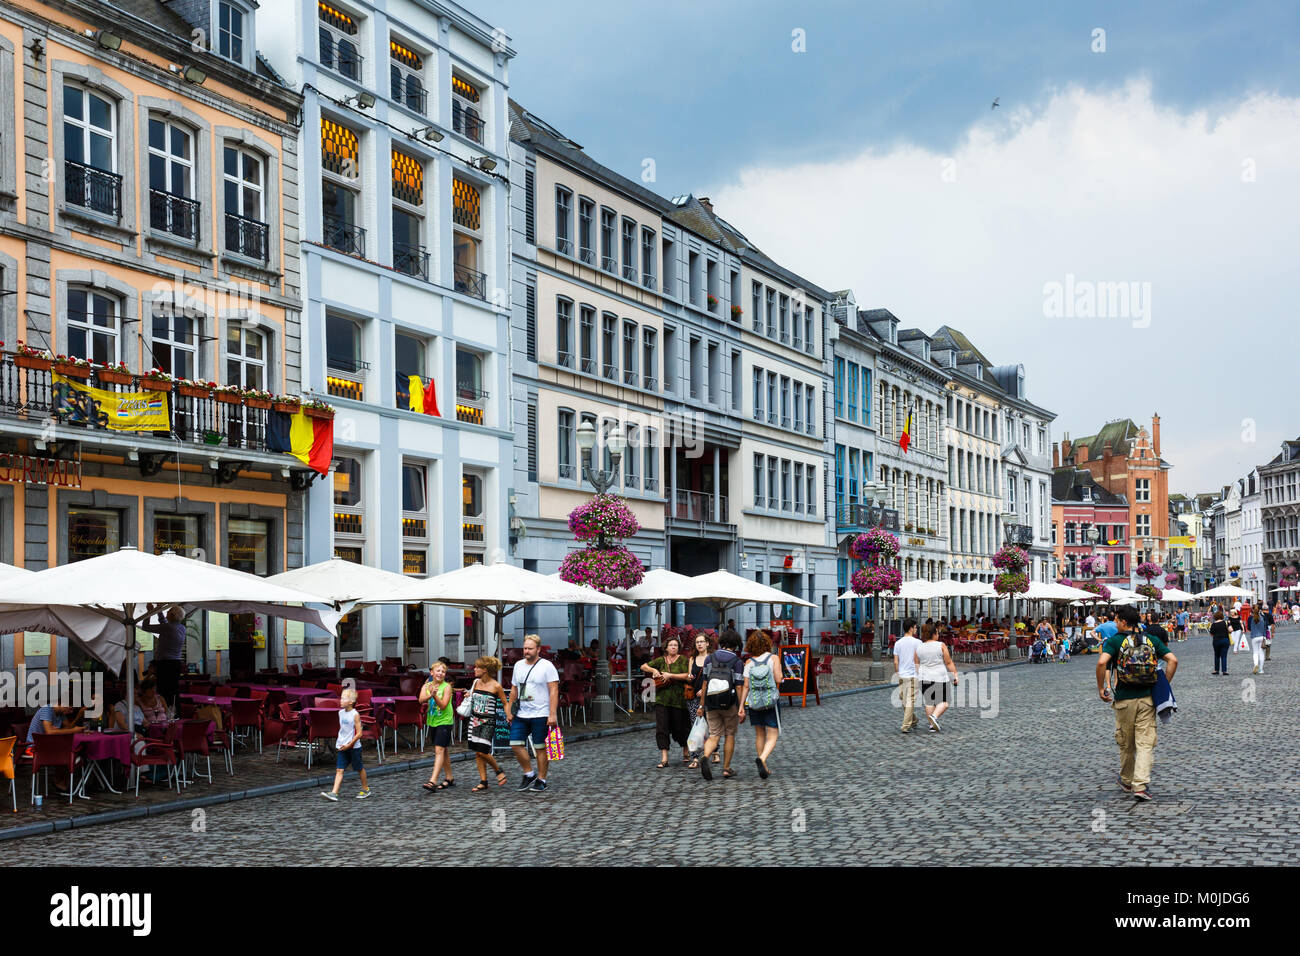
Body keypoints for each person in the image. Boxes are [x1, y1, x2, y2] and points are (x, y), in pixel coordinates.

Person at [1096, 606, 1177, 802]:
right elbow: (1173, 660)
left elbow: (1101, 663)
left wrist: (1101, 689)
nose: (1115, 624)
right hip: (1147, 699)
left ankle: (1126, 780)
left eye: (1116, 620)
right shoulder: (1151, 640)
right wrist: (1163, 683)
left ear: (1124, 622)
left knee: (1126, 742)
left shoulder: (1115, 641)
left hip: (1124, 699)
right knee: (1145, 742)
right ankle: (1140, 785)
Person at [509, 634, 560, 793]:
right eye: (525, 648)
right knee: (515, 743)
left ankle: (542, 779)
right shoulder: (518, 665)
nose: (527, 651)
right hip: (522, 713)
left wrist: (552, 714)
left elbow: (553, 690)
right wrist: (510, 710)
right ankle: (529, 773)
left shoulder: (547, 666)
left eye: (530, 648)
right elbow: (514, 689)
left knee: (540, 747)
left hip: (541, 713)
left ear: (538, 649)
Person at [698, 630, 745, 780]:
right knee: (730, 734)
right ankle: (726, 768)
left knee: (713, 735)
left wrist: (701, 705)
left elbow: (704, 683)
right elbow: (738, 685)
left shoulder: (709, 659)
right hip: (729, 703)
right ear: (736, 644)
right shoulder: (737, 662)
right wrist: (741, 707)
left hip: (711, 702)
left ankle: (705, 756)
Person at [642, 636, 692, 768]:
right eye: (671, 645)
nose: (673, 647)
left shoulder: (683, 660)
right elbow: (644, 666)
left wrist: (671, 676)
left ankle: (685, 749)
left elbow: (688, 675)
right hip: (662, 699)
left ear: (678, 647)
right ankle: (664, 757)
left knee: (680, 727)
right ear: (666, 647)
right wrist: (654, 670)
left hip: (678, 699)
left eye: (675, 645)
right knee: (662, 728)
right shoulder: (660, 660)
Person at [742, 631, 783, 778]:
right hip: (770, 700)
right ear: (768, 643)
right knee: (772, 734)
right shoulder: (773, 658)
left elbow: (746, 686)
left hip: (754, 701)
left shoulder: (749, 662)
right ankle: (762, 759)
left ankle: (763, 765)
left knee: (760, 734)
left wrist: (741, 707)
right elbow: (778, 679)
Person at [466, 656, 511, 790]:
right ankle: (483, 781)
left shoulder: (496, 686)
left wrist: (508, 715)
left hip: (488, 722)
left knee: (483, 750)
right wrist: (469, 696)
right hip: (474, 720)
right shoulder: (476, 682)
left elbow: (504, 702)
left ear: (484, 669)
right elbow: (473, 696)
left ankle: (498, 770)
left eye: (477, 667)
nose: (474, 669)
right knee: (477, 752)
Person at [322, 688, 370, 801]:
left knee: (359, 768)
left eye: (344, 698)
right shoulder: (340, 713)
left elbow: (359, 733)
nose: (341, 700)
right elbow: (343, 730)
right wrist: (341, 742)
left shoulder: (355, 715)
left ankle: (366, 789)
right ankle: (334, 793)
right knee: (339, 770)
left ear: (351, 702)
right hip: (343, 747)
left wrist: (350, 744)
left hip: (354, 748)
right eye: (341, 697)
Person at [915, 622, 958, 731]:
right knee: (945, 701)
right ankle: (934, 717)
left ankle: (931, 725)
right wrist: (955, 675)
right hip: (939, 677)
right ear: (934, 634)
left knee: (929, 702)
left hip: (924, 678)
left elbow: (916, 664)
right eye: (937, 633)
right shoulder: (941, 645)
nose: (938, 635)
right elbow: (948, 662)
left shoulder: (919, 647)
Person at [419, 662, 456, 791]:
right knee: (443, 750)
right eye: (438, 671)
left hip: (445, 721)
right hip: (433, 721)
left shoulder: (447, 687)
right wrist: (430, 694)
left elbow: (444, 705)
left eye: (443, 672)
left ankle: (432, 781)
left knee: (439, 750)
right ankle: (449, 777)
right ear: (432, 672)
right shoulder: (426, 686)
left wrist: (435, 696)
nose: (440, 673)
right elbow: (421, 699)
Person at [141, 605, 186, 708]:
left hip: (165, 664)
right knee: (173, 690)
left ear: (171, 615)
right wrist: (158, 610)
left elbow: (145, 627)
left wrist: (149, 612)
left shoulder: (167, 628)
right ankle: (175, 713)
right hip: (175, 663)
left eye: (168, 612)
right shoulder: (181, 628)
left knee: (163, 691)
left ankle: (166, 713)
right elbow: (163, 622)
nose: (166, 614)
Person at [686, 631, 717, 769]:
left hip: (709, 697)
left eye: (702, 642)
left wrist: (705, 690)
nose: (699, 644)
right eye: (697, 642)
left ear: (707, 643)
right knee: (696, 726)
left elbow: (716, 678)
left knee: (711, 725)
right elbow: (689, 675)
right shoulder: (692, 658)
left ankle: (715, 751)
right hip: (693, 698)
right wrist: (689, 677)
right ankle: (695, 757)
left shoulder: (712, 658)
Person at [893, 617, 922, 734]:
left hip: (902, 675)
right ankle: (910, 722)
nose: (916, 629)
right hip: (913, 675)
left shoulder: (898, 643)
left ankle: (910, 723)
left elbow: (896, 661)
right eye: (915, 627)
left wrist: (898, 673)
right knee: (906, 701)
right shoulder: (918, 642)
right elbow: (919, 659)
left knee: (907, 701)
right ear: (910, 628)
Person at [1208, 610, 1231, 675]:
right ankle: (1224, 670)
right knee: (1224, 656)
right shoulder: (1226, 622)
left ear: (1215, 617)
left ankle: (1216, 670)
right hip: (1225, 640)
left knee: (1217, 655)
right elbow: (1231, 630)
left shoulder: (1213, 624)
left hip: (1216, 640)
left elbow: (1211, 634)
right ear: (1222, 616)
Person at [1248, 605, 1268, 675]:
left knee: (1255, 652)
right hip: (1262, 636)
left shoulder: (1250, 618)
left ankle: (1256, 664)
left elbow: (1249, 628)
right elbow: (1266, 627)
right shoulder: (1263, 617)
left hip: (1254, 636)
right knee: (1261, 653)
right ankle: (1261, 669)